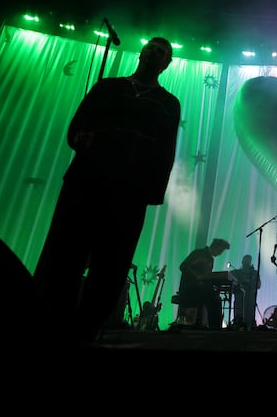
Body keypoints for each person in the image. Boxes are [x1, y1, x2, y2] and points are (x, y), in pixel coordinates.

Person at [33, 37, 180, 344]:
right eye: (153, 47)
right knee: (65, 255)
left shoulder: (168, 103)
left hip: (129, 195)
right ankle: (47, 325)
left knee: (110, 267)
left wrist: (151, 192)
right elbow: (78, 123)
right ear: (142, 53)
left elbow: (166, 152)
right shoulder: (107, 87)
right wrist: (78, 139)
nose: (156, 52)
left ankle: (84, 332)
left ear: (167, 65)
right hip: (86, 183)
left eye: (163, 52)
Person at [178, 238, 231, 330]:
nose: (220, 253)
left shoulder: (210, 259)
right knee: (213, 298)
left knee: (215, 297)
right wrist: (196, 277)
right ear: (216, 247)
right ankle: (214, 328)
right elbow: (183, 266)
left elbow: (207, 276)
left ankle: (214, 328)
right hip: (190, 287)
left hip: (200, 288)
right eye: (221, 250)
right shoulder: (198, 253)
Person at [229, 254, 261, 329]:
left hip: (250, 298)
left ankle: (249, 325)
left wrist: (249, 284)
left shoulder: (254, 273)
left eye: (248, 260)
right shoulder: (235, 272)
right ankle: (238, 323)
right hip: (239, 297)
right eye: (246, 260)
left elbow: (258, 285)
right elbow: (231, 280)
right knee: (238, 313)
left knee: (249, 316)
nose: (247, 262)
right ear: (242, 261)